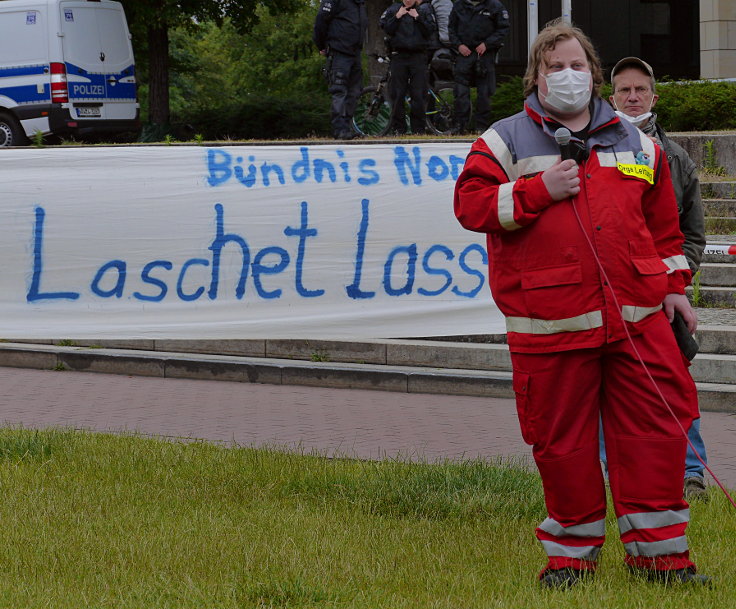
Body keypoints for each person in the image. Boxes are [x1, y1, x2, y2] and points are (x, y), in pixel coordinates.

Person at [453, 19, 710, 588]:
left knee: (655, 438)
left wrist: (674, 289)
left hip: (637, 324)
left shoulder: (638, 142)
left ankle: (663, 561)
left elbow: (664, 230)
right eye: (553, 66)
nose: (566, 75)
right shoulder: (503, 140)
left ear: (593, 74)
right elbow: (470, 208)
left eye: (575, 65)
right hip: (551, 326)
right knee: (562, 446)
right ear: (536, 76)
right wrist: (539, 191)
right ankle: (569, 559)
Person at [606, 56, 709, 500]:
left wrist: (670, 283)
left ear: (654, 97)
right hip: (606, 295)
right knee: (605, 386)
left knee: (674, 382)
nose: (632, 97)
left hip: (660, 296)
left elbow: (692, 237)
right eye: (624, 90)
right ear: (611, 97)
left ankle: (692, 474)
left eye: (640, 90)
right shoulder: (588, 148)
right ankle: (612, 474)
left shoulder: (677, 159)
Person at [447, 0, 509, 134]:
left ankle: (481, 127)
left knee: (484, 93)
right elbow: (451, 28)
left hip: (485, 54)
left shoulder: (495, 6)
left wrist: (487, 44)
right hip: (464, 54)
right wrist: (458, 45)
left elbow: (503, 28)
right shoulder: (459, 5)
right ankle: (460, 126)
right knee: (461, 93)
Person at [313, 0, 367, 140]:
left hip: (355, 52)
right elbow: (321, 20)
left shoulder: (360, 3)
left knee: (355, 91)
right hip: (339, 51)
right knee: (339, 90)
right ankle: (339, 129)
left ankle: (347, 126)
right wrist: (321, 45)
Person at [380, 0, 436, 134]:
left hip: (418, 57)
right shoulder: (392, 10)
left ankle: (418, 129)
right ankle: (399, 128)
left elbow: (430, 30)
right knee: (397, 94)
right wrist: (397, 17)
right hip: (398, 57)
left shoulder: (424, 10)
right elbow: (386, 29)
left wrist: (418, 17)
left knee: (418, 94)